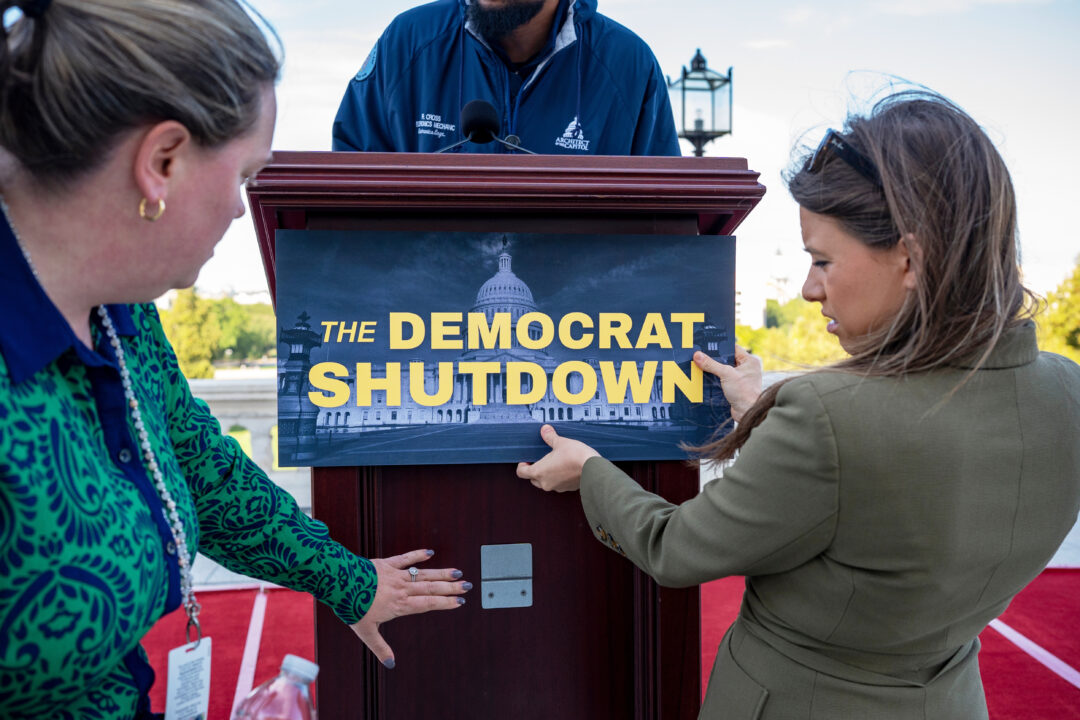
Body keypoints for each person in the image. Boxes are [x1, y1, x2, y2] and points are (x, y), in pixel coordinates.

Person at [516, 91, 1080, 718]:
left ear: (911, 259)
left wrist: (589, 470)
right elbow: (878, 498)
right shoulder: (1066, 390)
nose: (809, 288)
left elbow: (675, 548)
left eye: (822, 260)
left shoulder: (828, 415)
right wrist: (759, 409)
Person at [0, 2, 470, 718]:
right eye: (245, 174)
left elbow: (200, 469)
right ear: (162, 162)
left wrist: (349, 580)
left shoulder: (121, 313)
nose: (239, 209)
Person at [331, 0, 681, 156]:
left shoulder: (630, 66)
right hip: (421, 285)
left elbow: (664, 222)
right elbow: (348, 191)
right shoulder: (408, 42)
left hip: (579, 288)